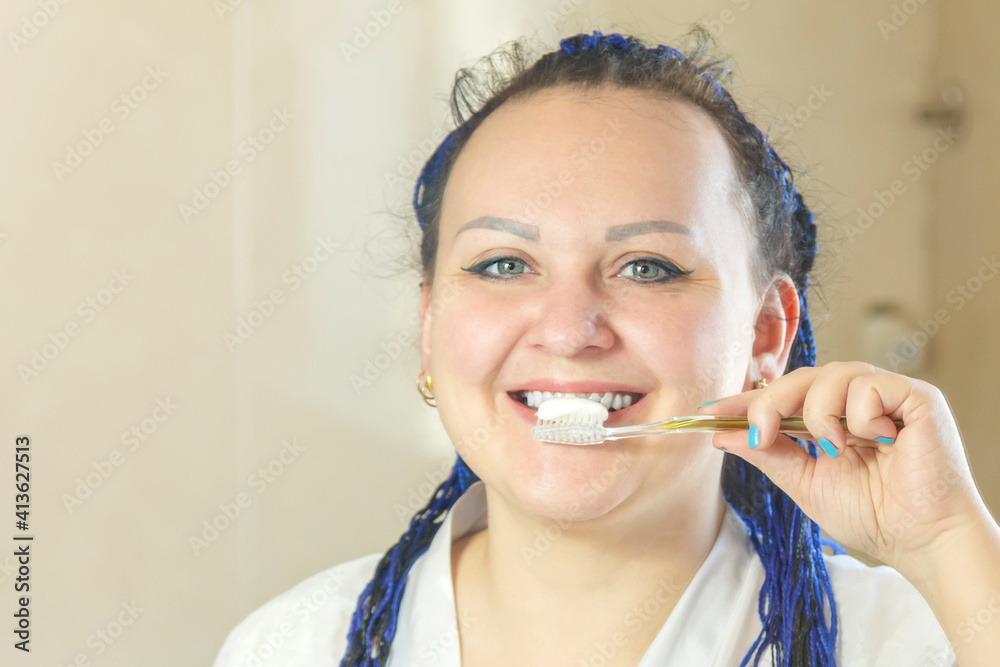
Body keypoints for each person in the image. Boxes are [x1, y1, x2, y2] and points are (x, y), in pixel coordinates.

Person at [214, 29, 1000, 666]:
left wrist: (946, 543)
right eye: (503, 264)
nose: (566, 328)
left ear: (766, 334)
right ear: (429, 327)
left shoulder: (914, 642)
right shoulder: (293, 647)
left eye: (647, 267)